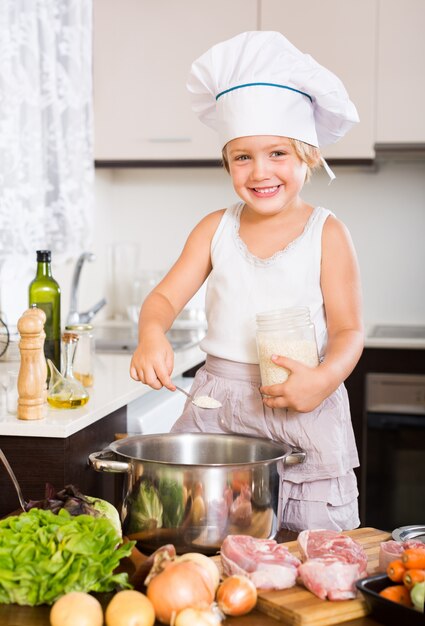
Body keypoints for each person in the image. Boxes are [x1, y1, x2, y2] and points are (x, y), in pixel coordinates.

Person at [130, 31, 364, 532]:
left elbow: (348, 332)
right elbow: (165, 297)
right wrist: (151, 334)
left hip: (303, 404)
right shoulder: (215, 228)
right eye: (243, 157)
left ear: (308, 156)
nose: (260, 171)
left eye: (278, 153)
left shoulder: (328, 233)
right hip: (219, 408)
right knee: (207, 539)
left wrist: (323, 379)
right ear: (227, 162)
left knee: (311, 548)